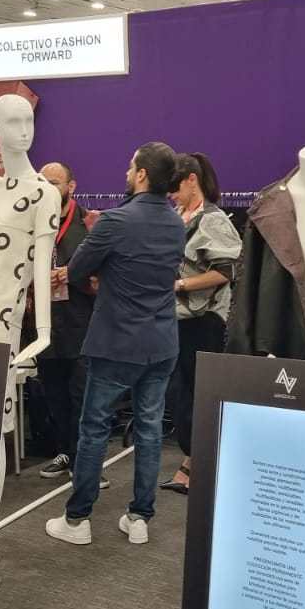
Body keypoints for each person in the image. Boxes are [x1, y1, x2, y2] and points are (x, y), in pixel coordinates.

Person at [45, 143, 185, 546]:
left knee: (93, 429)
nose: (126, 172)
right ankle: (140, 517)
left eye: (130, 167)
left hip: (115, 343)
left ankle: (78, 520)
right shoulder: (176, 222)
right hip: (162, 342)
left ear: (142, 174)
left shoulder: (114, 221)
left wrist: (97, 259)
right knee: (149, 430)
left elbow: (77, 270)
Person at [160, 152, 241, 494]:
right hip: (177, 320)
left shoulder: (213, 221)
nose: (171, 195)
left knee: (198, 395)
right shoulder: (178, 217)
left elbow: (225, 272)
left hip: (203, 321)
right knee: (183, 395)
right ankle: (193, 463)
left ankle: (198, 467)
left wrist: (179, 285)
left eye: (175, 188)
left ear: (192, 180)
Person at [33, 162, 106, 489]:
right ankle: (66, 452)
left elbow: (105, 275)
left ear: (71, 186)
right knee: (54, 396)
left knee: (83, 398)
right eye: (42, 182)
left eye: (54, 182)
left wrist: (70, 274)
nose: (47, 188)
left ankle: (87, 462)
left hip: (82, 324)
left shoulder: (90, 223)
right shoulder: (32, 223)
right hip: (44, 326)